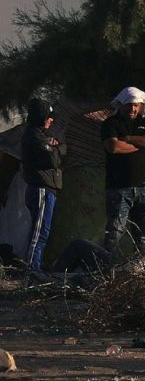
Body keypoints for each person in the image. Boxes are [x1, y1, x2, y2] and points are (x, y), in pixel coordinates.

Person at [101, 87, 145, 255]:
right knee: (114, 234)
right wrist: (141, 144)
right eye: (129, 105)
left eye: (136, 105)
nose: (133, 109)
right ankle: (106, 271)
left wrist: (129, 139)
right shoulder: (111, 123)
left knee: (143, 238)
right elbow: (113, 147)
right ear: (121, 105)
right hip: (119, 188)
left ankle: (139, 273)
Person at [21, 99, 67, 272]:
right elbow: (53, 159)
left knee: (42, 232)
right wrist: (58, 148)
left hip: (47, 189)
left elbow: (56, 151)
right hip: (41, 188)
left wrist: (56, 146)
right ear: (41, 117)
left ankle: (34, 270)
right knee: (39, 233)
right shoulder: (35, 137)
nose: (51, 120)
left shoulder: (41, 137)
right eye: (48, 117)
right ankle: (32, 272)